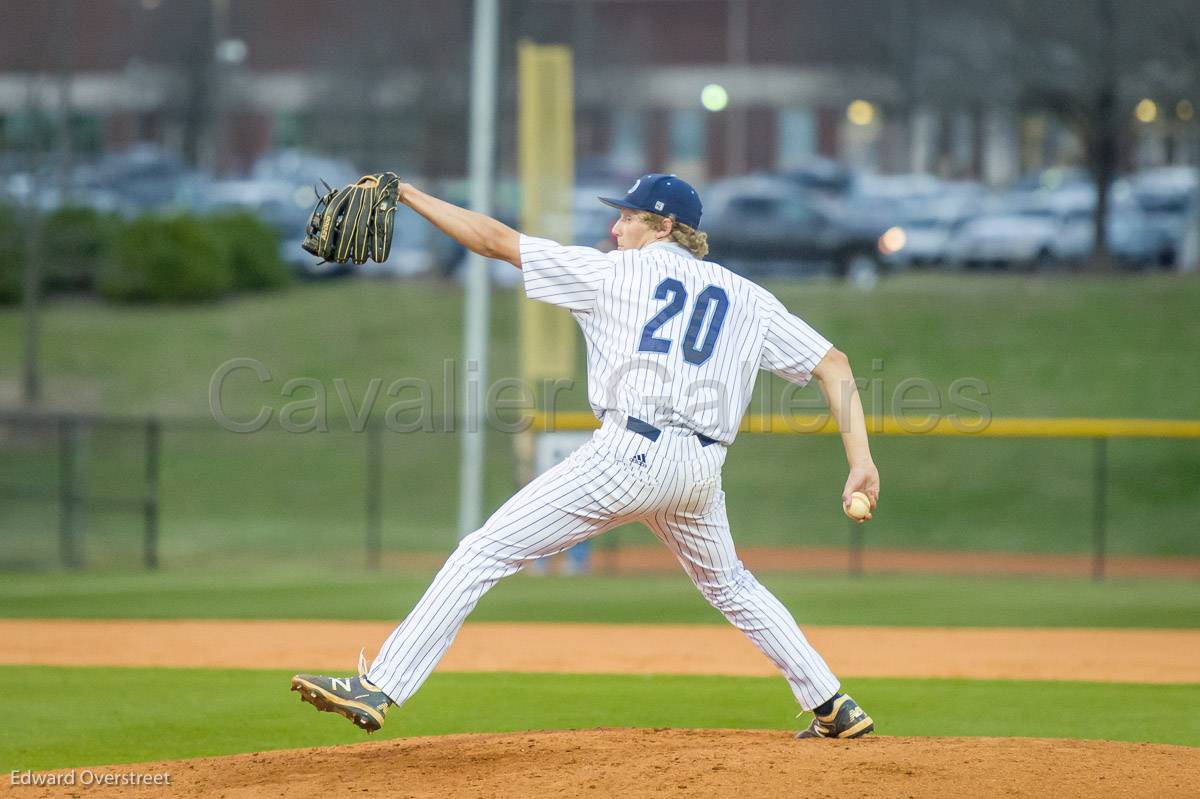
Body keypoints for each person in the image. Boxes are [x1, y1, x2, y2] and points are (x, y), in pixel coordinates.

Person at [291, 173, 880, 740]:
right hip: (701, 470)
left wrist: (411, 194)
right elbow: (835, 364)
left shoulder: (611, 274)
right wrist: (862, 462)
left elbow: (494, 241)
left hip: (628, 456)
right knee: (731, 586)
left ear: (663, 226)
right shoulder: (749, 298)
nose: (616, 227)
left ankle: (379, 686)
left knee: (483, 551)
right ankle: (833, 704)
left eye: (626, 216)